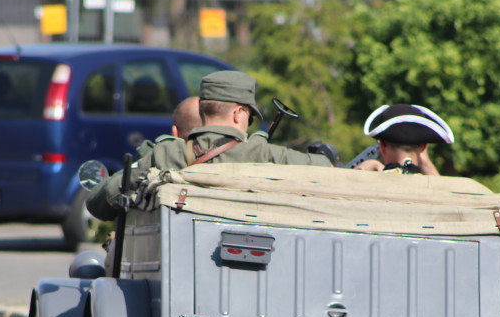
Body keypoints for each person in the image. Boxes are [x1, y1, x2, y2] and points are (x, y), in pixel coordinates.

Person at [87, 70, 331, 221]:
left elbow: (99, 200)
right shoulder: (265, 154)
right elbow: (325, 167)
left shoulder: (166, 153)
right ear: (238, 113)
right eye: (250, 116)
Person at [354, 104, 452, 176]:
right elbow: (444, 191)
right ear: (424, 147)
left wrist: (366, 166)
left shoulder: (369, 185)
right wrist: (426, 162)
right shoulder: (433, 189)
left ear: (382, 146)